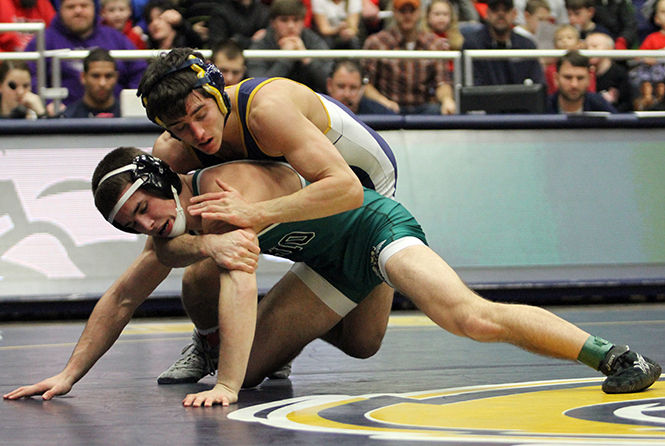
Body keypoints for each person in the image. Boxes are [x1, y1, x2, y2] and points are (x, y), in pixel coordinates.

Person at [6, 146, 661, 405]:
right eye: (130, 224)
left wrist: (229, 384)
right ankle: (268, 346)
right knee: (359, 343)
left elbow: (240, 278)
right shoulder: (179, 220)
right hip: (326, 260)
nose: (144, 225)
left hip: (373, 227)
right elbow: (121, 296)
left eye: (143, 209)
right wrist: (67, 375)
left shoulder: (221, 193)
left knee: (465, 315)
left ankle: (613, 356)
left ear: (159, 184)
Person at [122, 47, 398, 385]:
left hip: (360, 191)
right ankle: (211, 342)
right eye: (180, 127)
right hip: (291, 187)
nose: (198, 134)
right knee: (199, 277)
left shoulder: (266, 110)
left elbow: (346, 189)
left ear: (219, 93)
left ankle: (284, 331)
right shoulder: (173, 151)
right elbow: (156, 255)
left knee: (362, 342)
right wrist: (71, 373)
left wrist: (254, 213)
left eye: (200, 115)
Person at [23, 0, 147, 106]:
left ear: (95, 8)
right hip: (60, 120)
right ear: (60, 10)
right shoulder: (43, 41)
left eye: (84, 6)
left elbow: (139, 72)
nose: (78, 11)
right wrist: (47, 104)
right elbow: (29, 78)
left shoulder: (115, 37)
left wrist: (131, 103)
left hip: (116, 118)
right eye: (71, 7)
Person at [362, 0, 455, 115]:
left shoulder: (434, 44)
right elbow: (366, 84)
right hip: (388, 108)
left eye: (412, 11)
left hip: (423, 108)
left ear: (420, 13)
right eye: (402, 11)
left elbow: (442, 82)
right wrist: (384, 102)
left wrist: (447, 99)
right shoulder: (376, 43)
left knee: (437, 110)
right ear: (394, 12)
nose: (407, 15)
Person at [246, 0, 333, 93]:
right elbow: (258, 89)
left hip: (310, 98)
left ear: (303, 22)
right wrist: (286, 58)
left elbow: (329, 85)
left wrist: (306, 58)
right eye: (284, 20)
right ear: (272, 23)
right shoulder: (261, 45)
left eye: (296, 20)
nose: (291, 26)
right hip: (273, 100)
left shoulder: (313, 40)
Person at [462, 0, 545, 86]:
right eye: (495, 9)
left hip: (519, 98)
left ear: (514, 14)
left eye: (506, 9)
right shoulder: (472, 45)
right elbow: (470, 86)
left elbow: (537, 85)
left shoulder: (527, 46)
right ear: (487, 13)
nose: (500, 14)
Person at [546, 49, 617, 113]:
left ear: (589, 80)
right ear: (556, 79)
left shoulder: (600, 105)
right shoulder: (542, 106)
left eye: (580, 78)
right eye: (568, 77)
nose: (574, 84)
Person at [62, 48, 121, 118]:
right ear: (83, 77)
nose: (102, 83)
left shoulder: (128, 115)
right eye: (95, 76)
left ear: (116, 77)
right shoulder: (68, 118)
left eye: (108, 76)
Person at [326, 59, 397, 114]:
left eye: (353, 88)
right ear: (329, 85)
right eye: (341, 86)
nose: (347, 94)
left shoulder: (381, 115)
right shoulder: (317, 112)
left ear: (362, 89)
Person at [585, 31, 633, 112]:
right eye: (586, 47)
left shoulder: (620, 74)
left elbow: (627, 105)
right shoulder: (582, 73)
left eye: (595, 46)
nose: (589, 50)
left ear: (609, 49)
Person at [205, 0, 270, 50]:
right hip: (229, 62)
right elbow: (217, 46)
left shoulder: (265, 12)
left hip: (259, 62)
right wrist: (251, 41)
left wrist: (236, 40)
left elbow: (269, 44)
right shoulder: (220, 12)